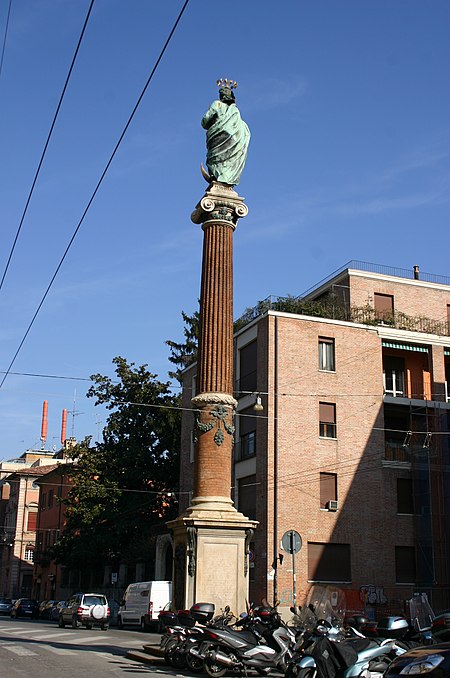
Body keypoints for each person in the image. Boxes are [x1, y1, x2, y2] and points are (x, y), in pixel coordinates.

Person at [201, 83, 250, 186]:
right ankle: (228, 176)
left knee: (214, 160)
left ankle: (218, 175)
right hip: (236, 140)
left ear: (221, 96)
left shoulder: (217, 104)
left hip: (220, 137)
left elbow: (205, 121)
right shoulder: (236, 112)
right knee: (229, 159)